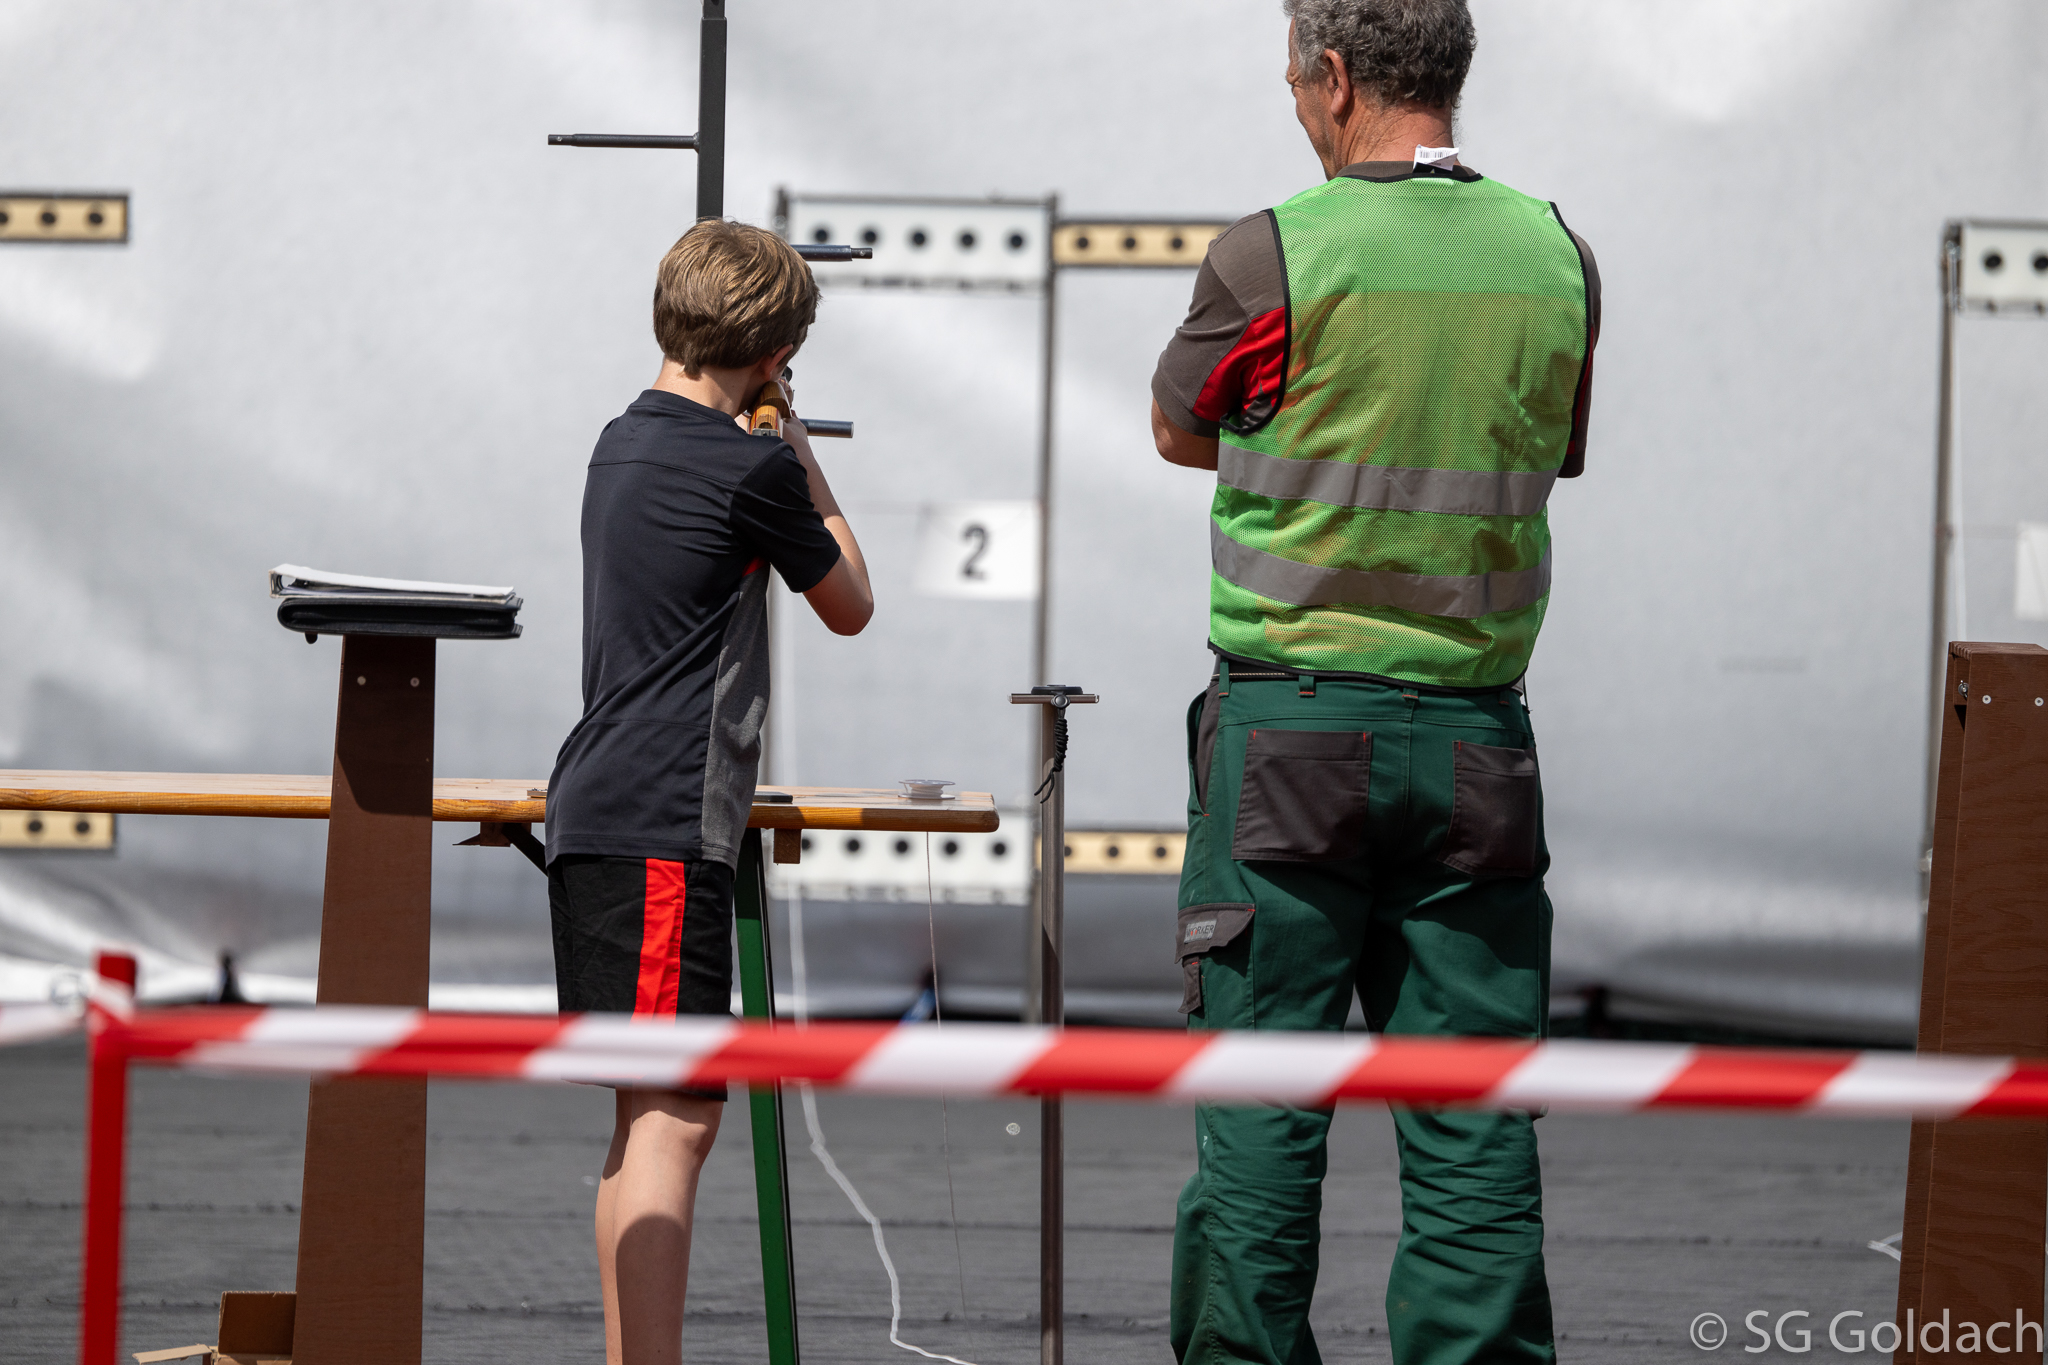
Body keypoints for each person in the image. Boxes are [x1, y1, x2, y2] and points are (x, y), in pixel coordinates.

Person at [1150, 2, 1599, 1362]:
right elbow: (1552, 449)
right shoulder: (1556, 253)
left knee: (1262, 1112)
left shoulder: (1272, 252)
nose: (1294, 104)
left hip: (1287, 739)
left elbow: (1179, 428)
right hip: (1475, 745)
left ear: (1335, 78)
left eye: (1296, 82)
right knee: (1473, 1124)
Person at [542, 219, 873, 1365]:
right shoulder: (751, 470)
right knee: (673, 1125)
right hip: (661, 819)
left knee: (642, 1123)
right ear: (774, 351)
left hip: (602, 806)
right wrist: (797, 449)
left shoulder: (619, 441)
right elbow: (850, 599)